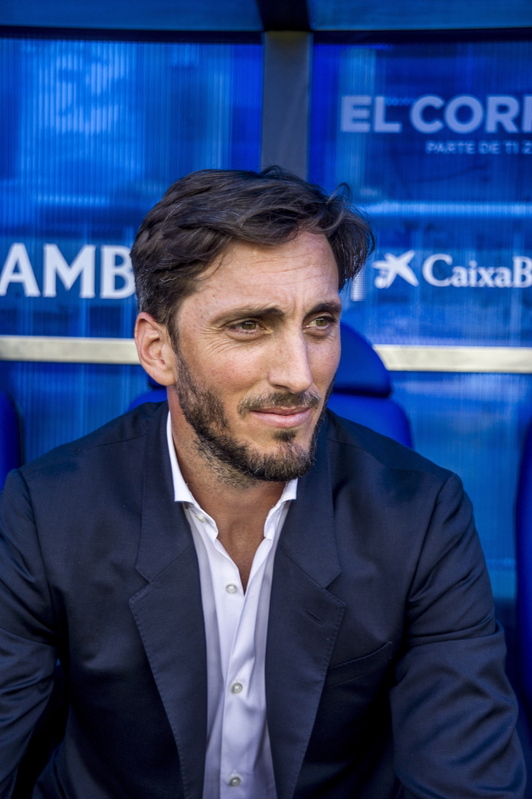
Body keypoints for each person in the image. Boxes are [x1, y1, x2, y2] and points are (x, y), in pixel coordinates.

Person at [0, 167, 525, 799]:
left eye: (320, 322)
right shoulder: (46, 511)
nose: (299, 374)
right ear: (158, 349)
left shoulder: (420, 515)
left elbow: (466, 784)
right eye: (250, 325)